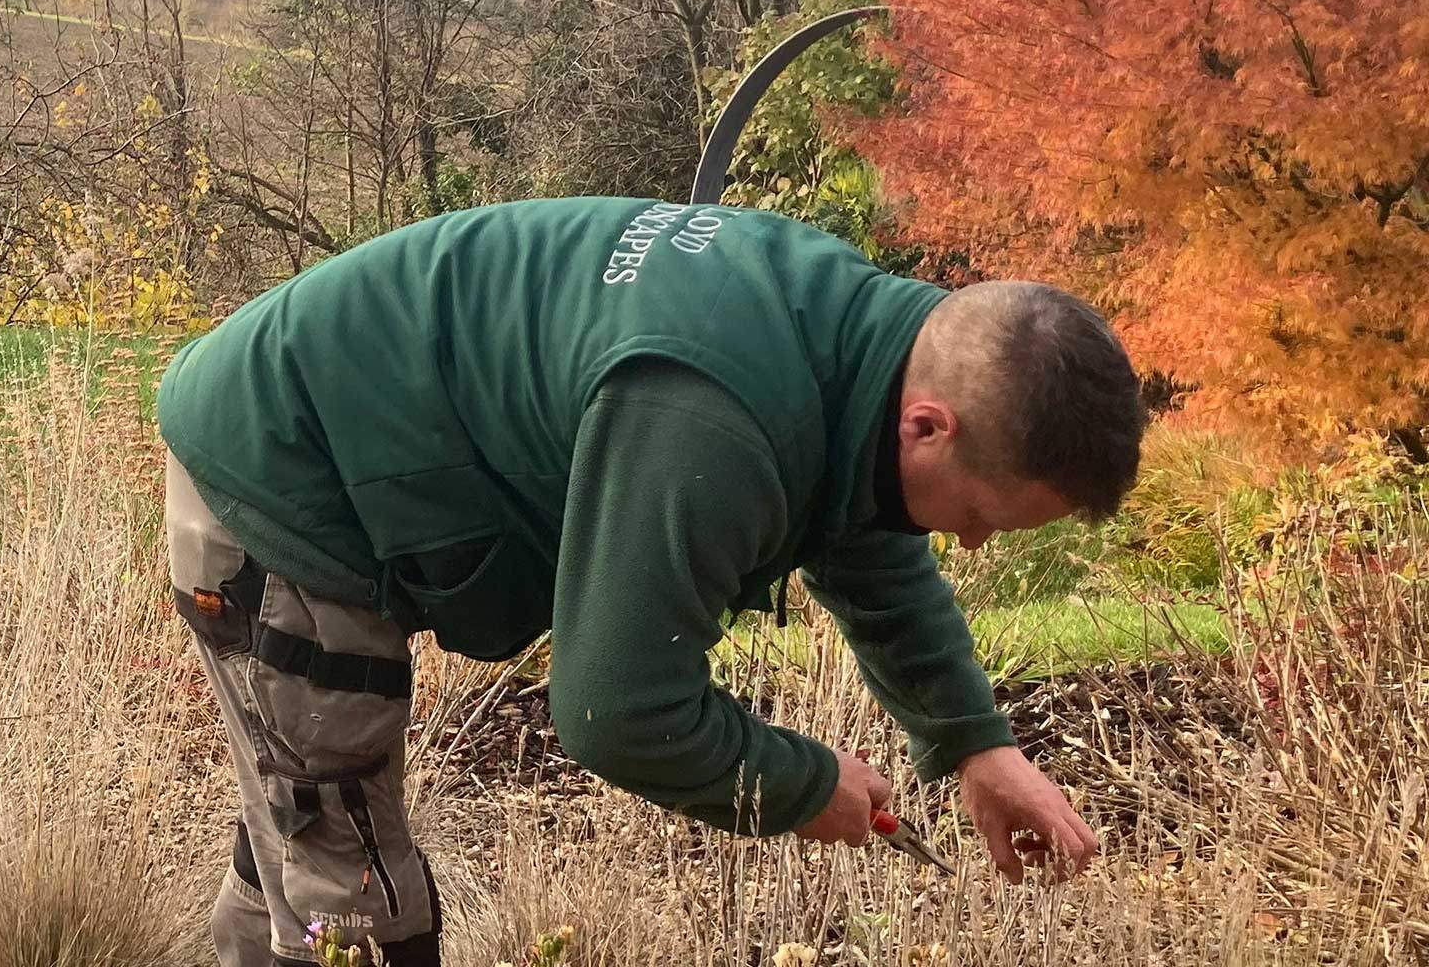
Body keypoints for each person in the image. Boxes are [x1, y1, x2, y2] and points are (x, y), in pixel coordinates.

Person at [155, 196, 1144, 967]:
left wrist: (975, 745)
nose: (968, 545)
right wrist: (797, 786)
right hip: (281, 487)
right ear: (929, 425)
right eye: (979, 515)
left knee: (302, 846)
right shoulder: (709, 417)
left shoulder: (862, 343)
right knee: (358, 901)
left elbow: (865, 530)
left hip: (307, 442)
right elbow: (617, 711)